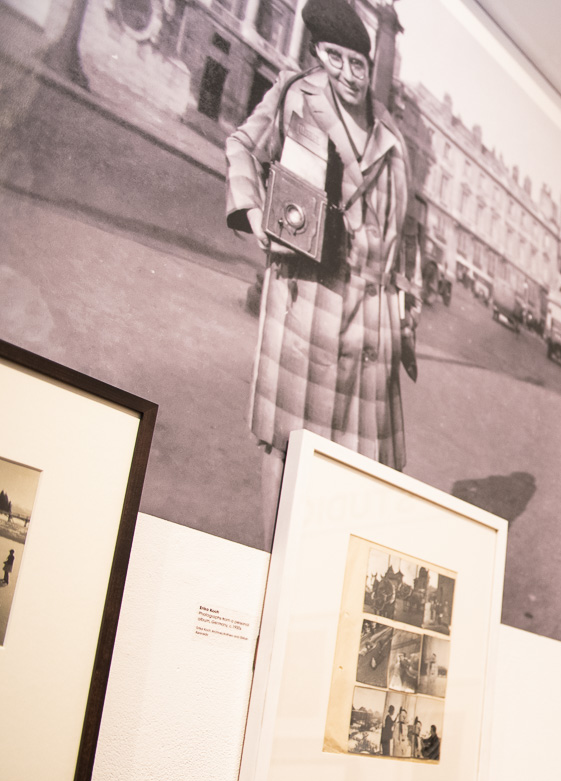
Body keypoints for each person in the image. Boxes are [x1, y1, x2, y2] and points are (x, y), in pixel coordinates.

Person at [224, 0, 415, 546]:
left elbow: (398, 239)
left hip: (368, 324)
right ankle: (272, 561)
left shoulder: (391, 139)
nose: (348, 75)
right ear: (317, 53)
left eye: (358, 64)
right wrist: (253, 207)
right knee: (283, 449)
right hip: (304, 302)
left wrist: (402, 314)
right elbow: (241, 144)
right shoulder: (294, 95)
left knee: (355, 473)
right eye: (335, 59)